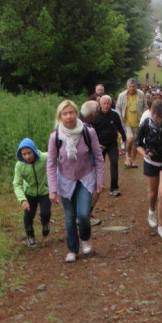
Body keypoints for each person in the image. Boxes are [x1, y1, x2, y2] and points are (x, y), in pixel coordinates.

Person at [47, 100, 104, 263]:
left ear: (76, 114)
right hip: (65, 179)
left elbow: (99, 157)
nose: (69, 116)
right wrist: (52, 189)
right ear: (60, 117)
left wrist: (100, 179)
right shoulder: (55, 137)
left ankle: (85, 239)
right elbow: (51, 163)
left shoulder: (88, 132)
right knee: (70, 217)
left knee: (83, 214)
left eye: (71, 113)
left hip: (86, 177)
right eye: (65, 114)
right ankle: (72, 249)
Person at [136, 99, 162, 239]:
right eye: (157, 117)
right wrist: (145, 155)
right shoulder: (145, 124)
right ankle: (151, 210)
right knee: (153, 193)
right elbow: (137, 144)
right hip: (151, 161)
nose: (159, 120)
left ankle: (161, 225)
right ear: (151, 113)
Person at [13, 138, 51, 248]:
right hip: (29, 193)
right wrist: (22, 200)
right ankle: (30, 236)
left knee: (45, 213)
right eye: (24, 154)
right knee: (28, 216)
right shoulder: (19, 165)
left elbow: (57, 156)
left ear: (34, 150)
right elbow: (17, 184)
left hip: (44, 191)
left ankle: (45, 224)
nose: (27, 156)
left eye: (29, 153)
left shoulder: (44, 157)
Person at [94, 95, 127, 196]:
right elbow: (92, 132)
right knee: (99, 165)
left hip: (112, 143)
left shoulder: (114, 115)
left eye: (108, 103)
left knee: (114, 163)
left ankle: (114, 188)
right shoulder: (95, 116)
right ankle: (98, 184)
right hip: (100, 145)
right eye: (104, 103)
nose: (106, 105)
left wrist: (124, 139)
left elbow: (120, 128)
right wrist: (96, 144)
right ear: (100, 104)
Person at [116, 79, 145, 168]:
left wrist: (144, 118)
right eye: (130, 86)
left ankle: (132, 161)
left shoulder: (141, 94)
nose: (132, 88)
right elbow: (118, 107)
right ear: (127, 87)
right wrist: (120, 118)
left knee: (136, 143)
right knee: (130, 138)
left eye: (134, 86)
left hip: (138, 122)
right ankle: (127, 157)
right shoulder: (122, 95)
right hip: (126, 122)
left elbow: (145, 106)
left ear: (136, 86)